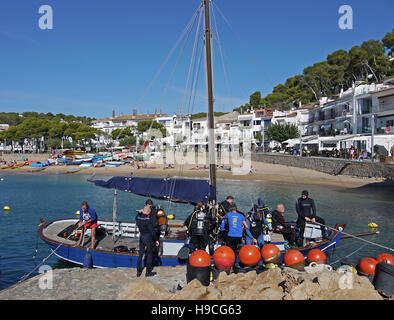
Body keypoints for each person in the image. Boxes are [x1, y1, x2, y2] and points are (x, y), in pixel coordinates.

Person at [135, 205, 159, 277]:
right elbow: (152, 232)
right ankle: (148, 272)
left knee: (141, 254)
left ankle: (138, 272)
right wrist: (156, 240)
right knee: (149, 254)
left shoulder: (138, 218)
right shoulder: (147, 221)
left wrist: (140, 212)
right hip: (148, 238)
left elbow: (138, 216)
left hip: (141, 236)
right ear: (148, 212)